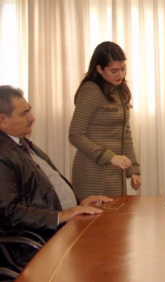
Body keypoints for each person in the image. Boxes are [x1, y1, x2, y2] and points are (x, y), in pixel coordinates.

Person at [0, 85, 112, 241]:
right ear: (3, 120)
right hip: (39, 240)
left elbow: (45, 190)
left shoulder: (22, 144)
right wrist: (60, 216)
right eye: (24, 113)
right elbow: (7, 212)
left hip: (58, 229)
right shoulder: (3, 154)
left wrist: (79, 202)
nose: (32, 118)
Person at [69, 41, 141, 199]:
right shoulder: (91, 91)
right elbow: (75, 134)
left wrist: (133, 169)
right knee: (95, 222)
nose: (120, 75)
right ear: (99, 69)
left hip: (115, 170)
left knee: (117, 219)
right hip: (92, 171)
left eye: (123, 69)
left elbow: (125, 133)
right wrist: (110, 157)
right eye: (114, 70)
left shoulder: (119, 90)